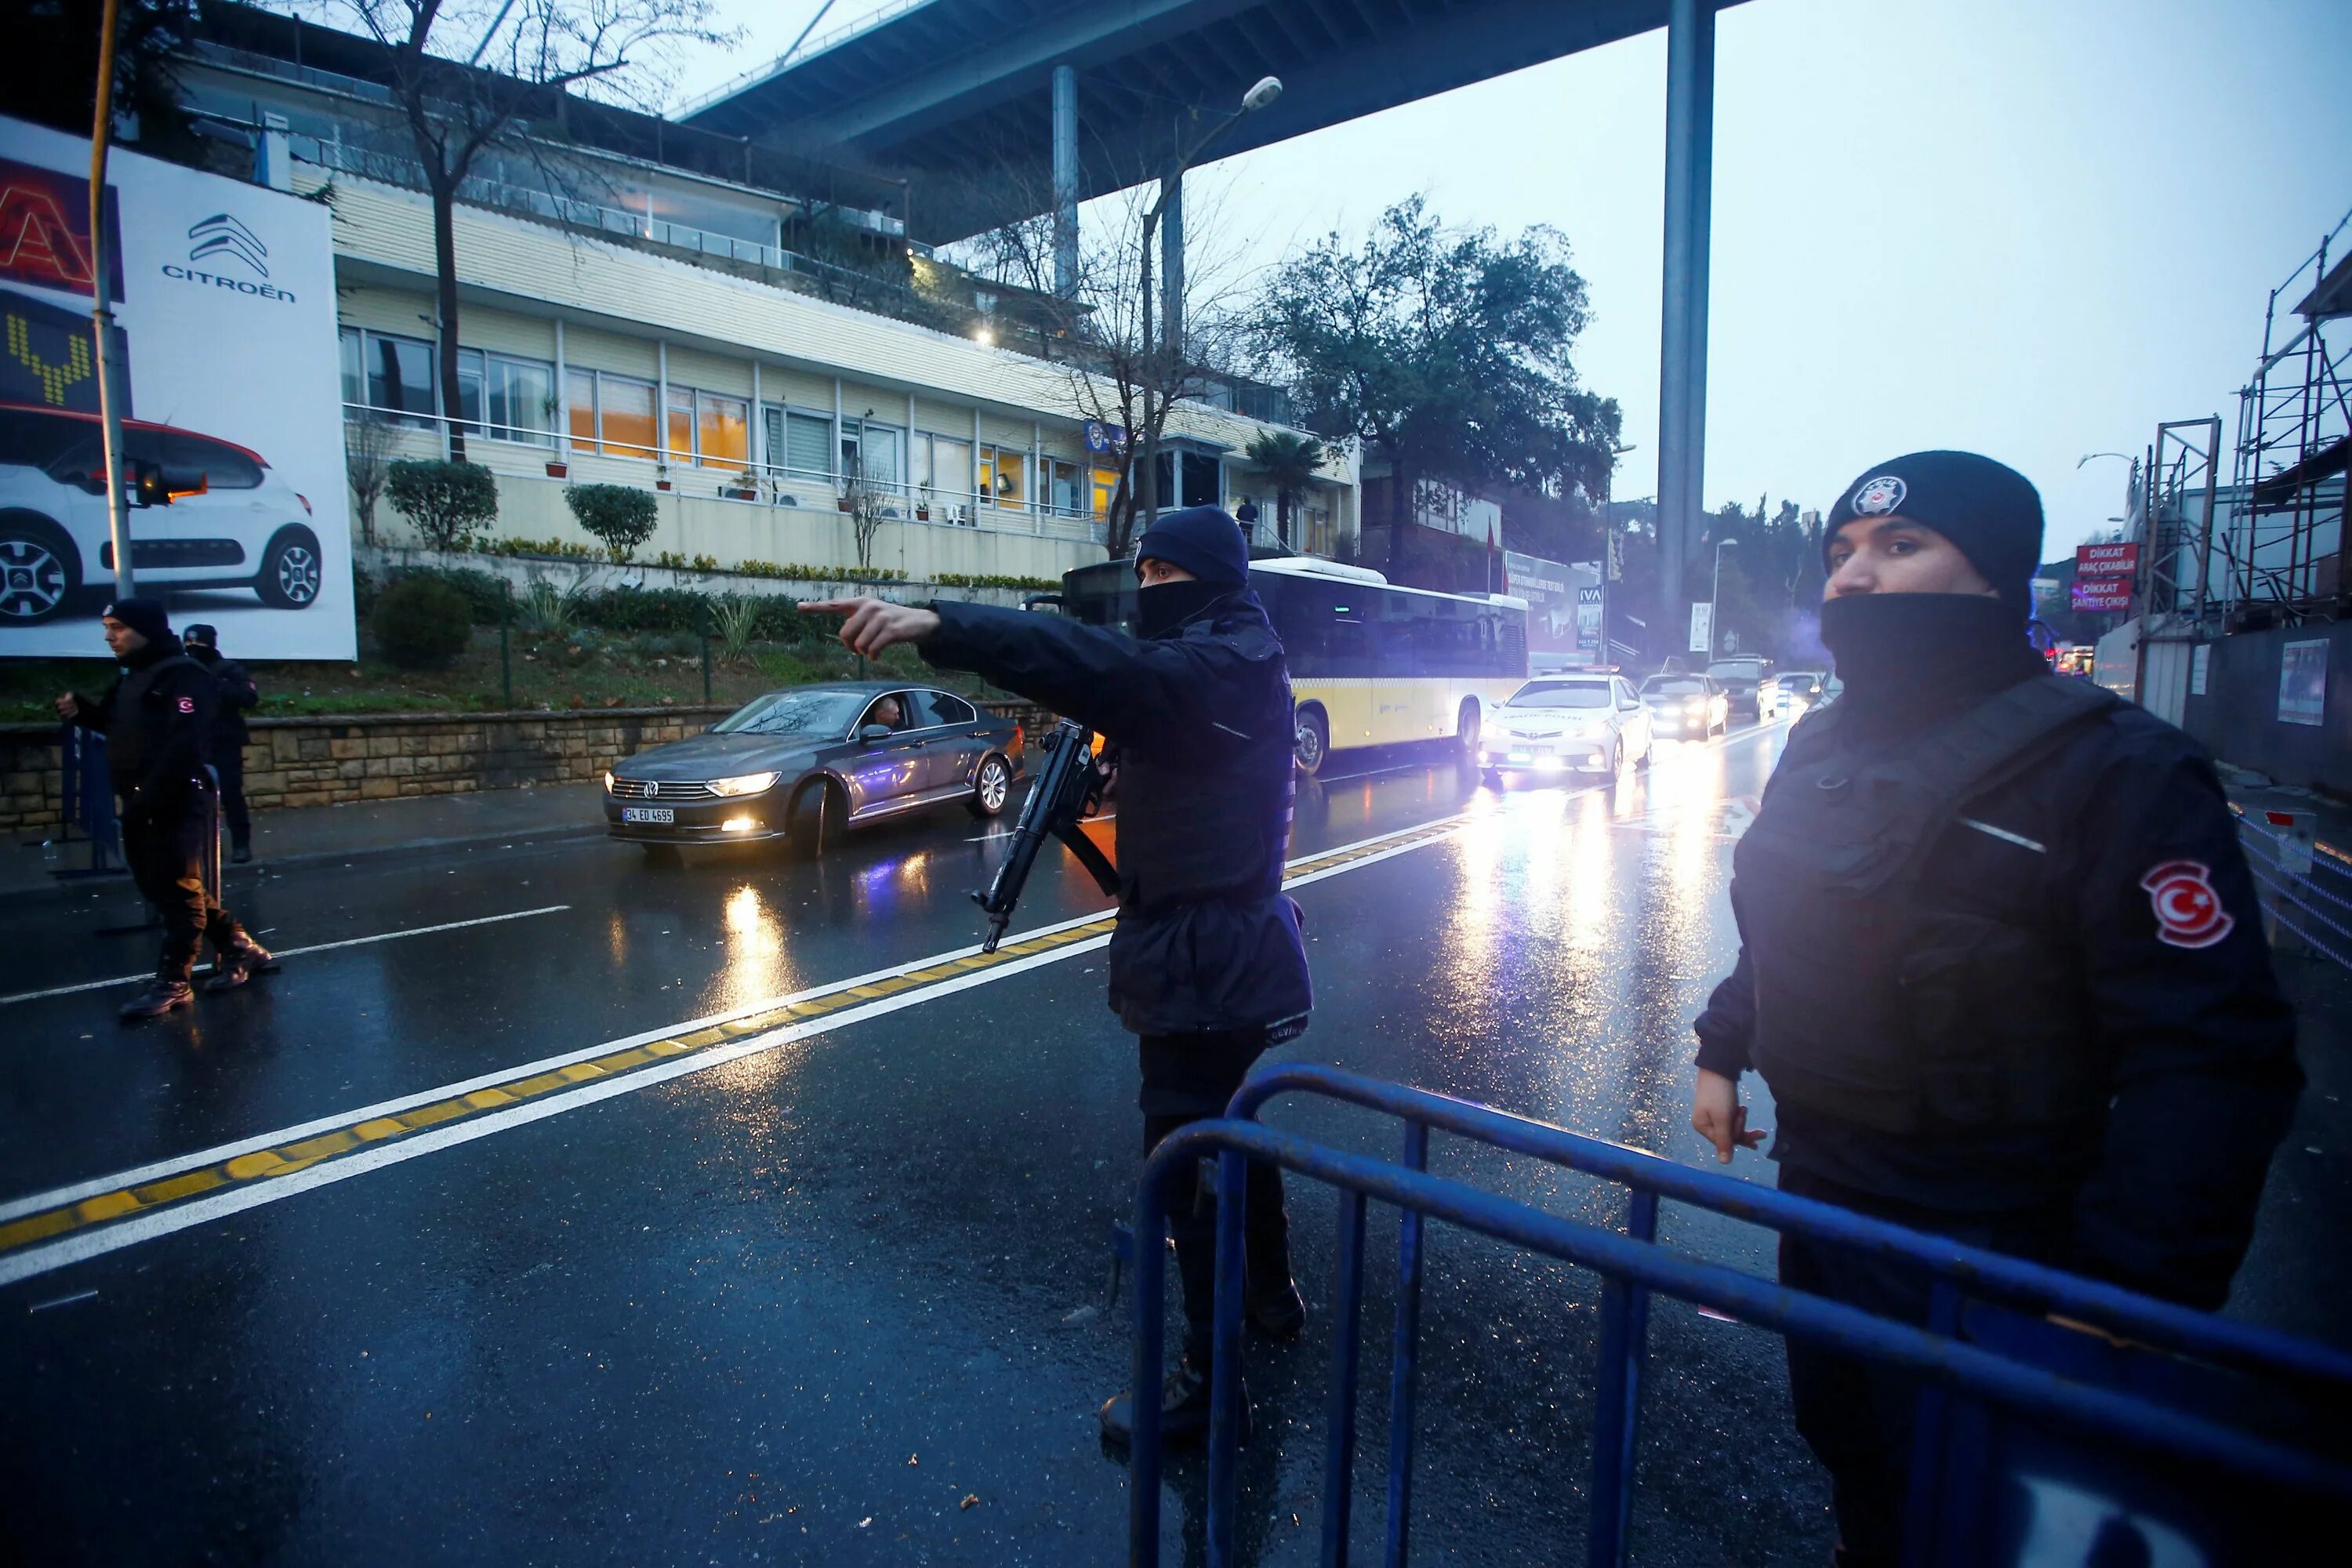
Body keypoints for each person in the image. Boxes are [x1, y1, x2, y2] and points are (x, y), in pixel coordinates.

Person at [1689, 452, 2300, 1566]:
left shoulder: (2117, 770)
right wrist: (1721, 1052)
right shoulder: (1820, 744)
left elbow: (2210, 1056)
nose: (1855, 578)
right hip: (1827, 1204)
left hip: (2005, 1239)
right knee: (1860, 1464)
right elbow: (1783, 923)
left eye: (1901, 547)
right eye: (1842, 554)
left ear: (1996, 581)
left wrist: (2129, 1287)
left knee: (1983, 1511)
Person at [804, 506, 1310, 1443]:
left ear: (1209, 577)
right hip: (1220, 948)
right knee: (1231, 1126)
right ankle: (1273, 1299)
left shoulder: (1220, 663)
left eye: (1166, 575)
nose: (1149, 589)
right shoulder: (1230, 650)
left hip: (1207, 961)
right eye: (1145, 571)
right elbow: (1179, 751)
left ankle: (1210, 1386)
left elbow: (1100, 665)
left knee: (1185, 1161)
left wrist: (942, 625)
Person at [55, 599, 276, 1022]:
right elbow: (124, 730)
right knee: (168, 887)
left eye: (117, 627)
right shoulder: (134, 677)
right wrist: (86, 714)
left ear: (145, 629)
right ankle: (239, 947)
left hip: (172, 799)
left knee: (176, 889)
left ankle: (174, 981)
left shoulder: (183, 675)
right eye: (107, 627)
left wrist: (149, 798)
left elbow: (184, 743)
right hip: (139, 800)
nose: (109, 636)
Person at [180, 623, 259, 863]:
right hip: (192, 743)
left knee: (231, 795)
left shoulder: (229, 670)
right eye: (189, 644)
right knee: (195, 799)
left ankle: (241, 845)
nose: (193, 648)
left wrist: (218, 686)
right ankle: (204, 847)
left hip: (224, 742)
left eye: (198, 643)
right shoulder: (183, 671)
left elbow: (249, 697)